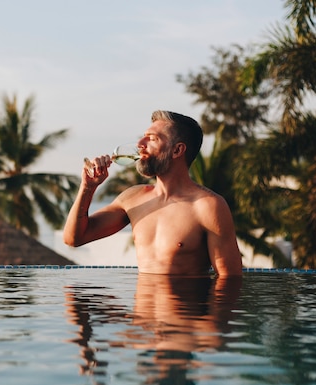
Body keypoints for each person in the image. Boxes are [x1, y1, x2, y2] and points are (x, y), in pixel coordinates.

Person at [63, 110, 243, 276]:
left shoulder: (208, 206)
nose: (140, 144)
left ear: (177, 150)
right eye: (143, 138)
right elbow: (74, 238)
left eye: (152, 139)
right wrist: (88, 187)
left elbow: (229, 280)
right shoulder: (133, 198)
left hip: (184, 311)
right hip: (139, 312)